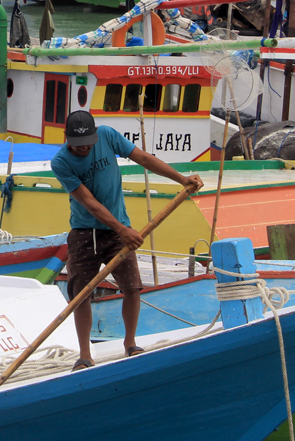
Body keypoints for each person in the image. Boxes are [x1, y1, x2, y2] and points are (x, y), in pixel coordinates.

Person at [52, 110, 203, 370]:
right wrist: (122, 229)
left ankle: (130, 344)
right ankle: (85, 355)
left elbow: (144, 158)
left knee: (132, 287)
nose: (84, 148)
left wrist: (181, 179)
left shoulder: (108, 136)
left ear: (95, 134)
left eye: (88, 142)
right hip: (84, 231)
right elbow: (89, 203)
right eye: (77, 145)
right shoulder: (61, 162)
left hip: (118, 230)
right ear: (66, 138)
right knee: (80, 294)